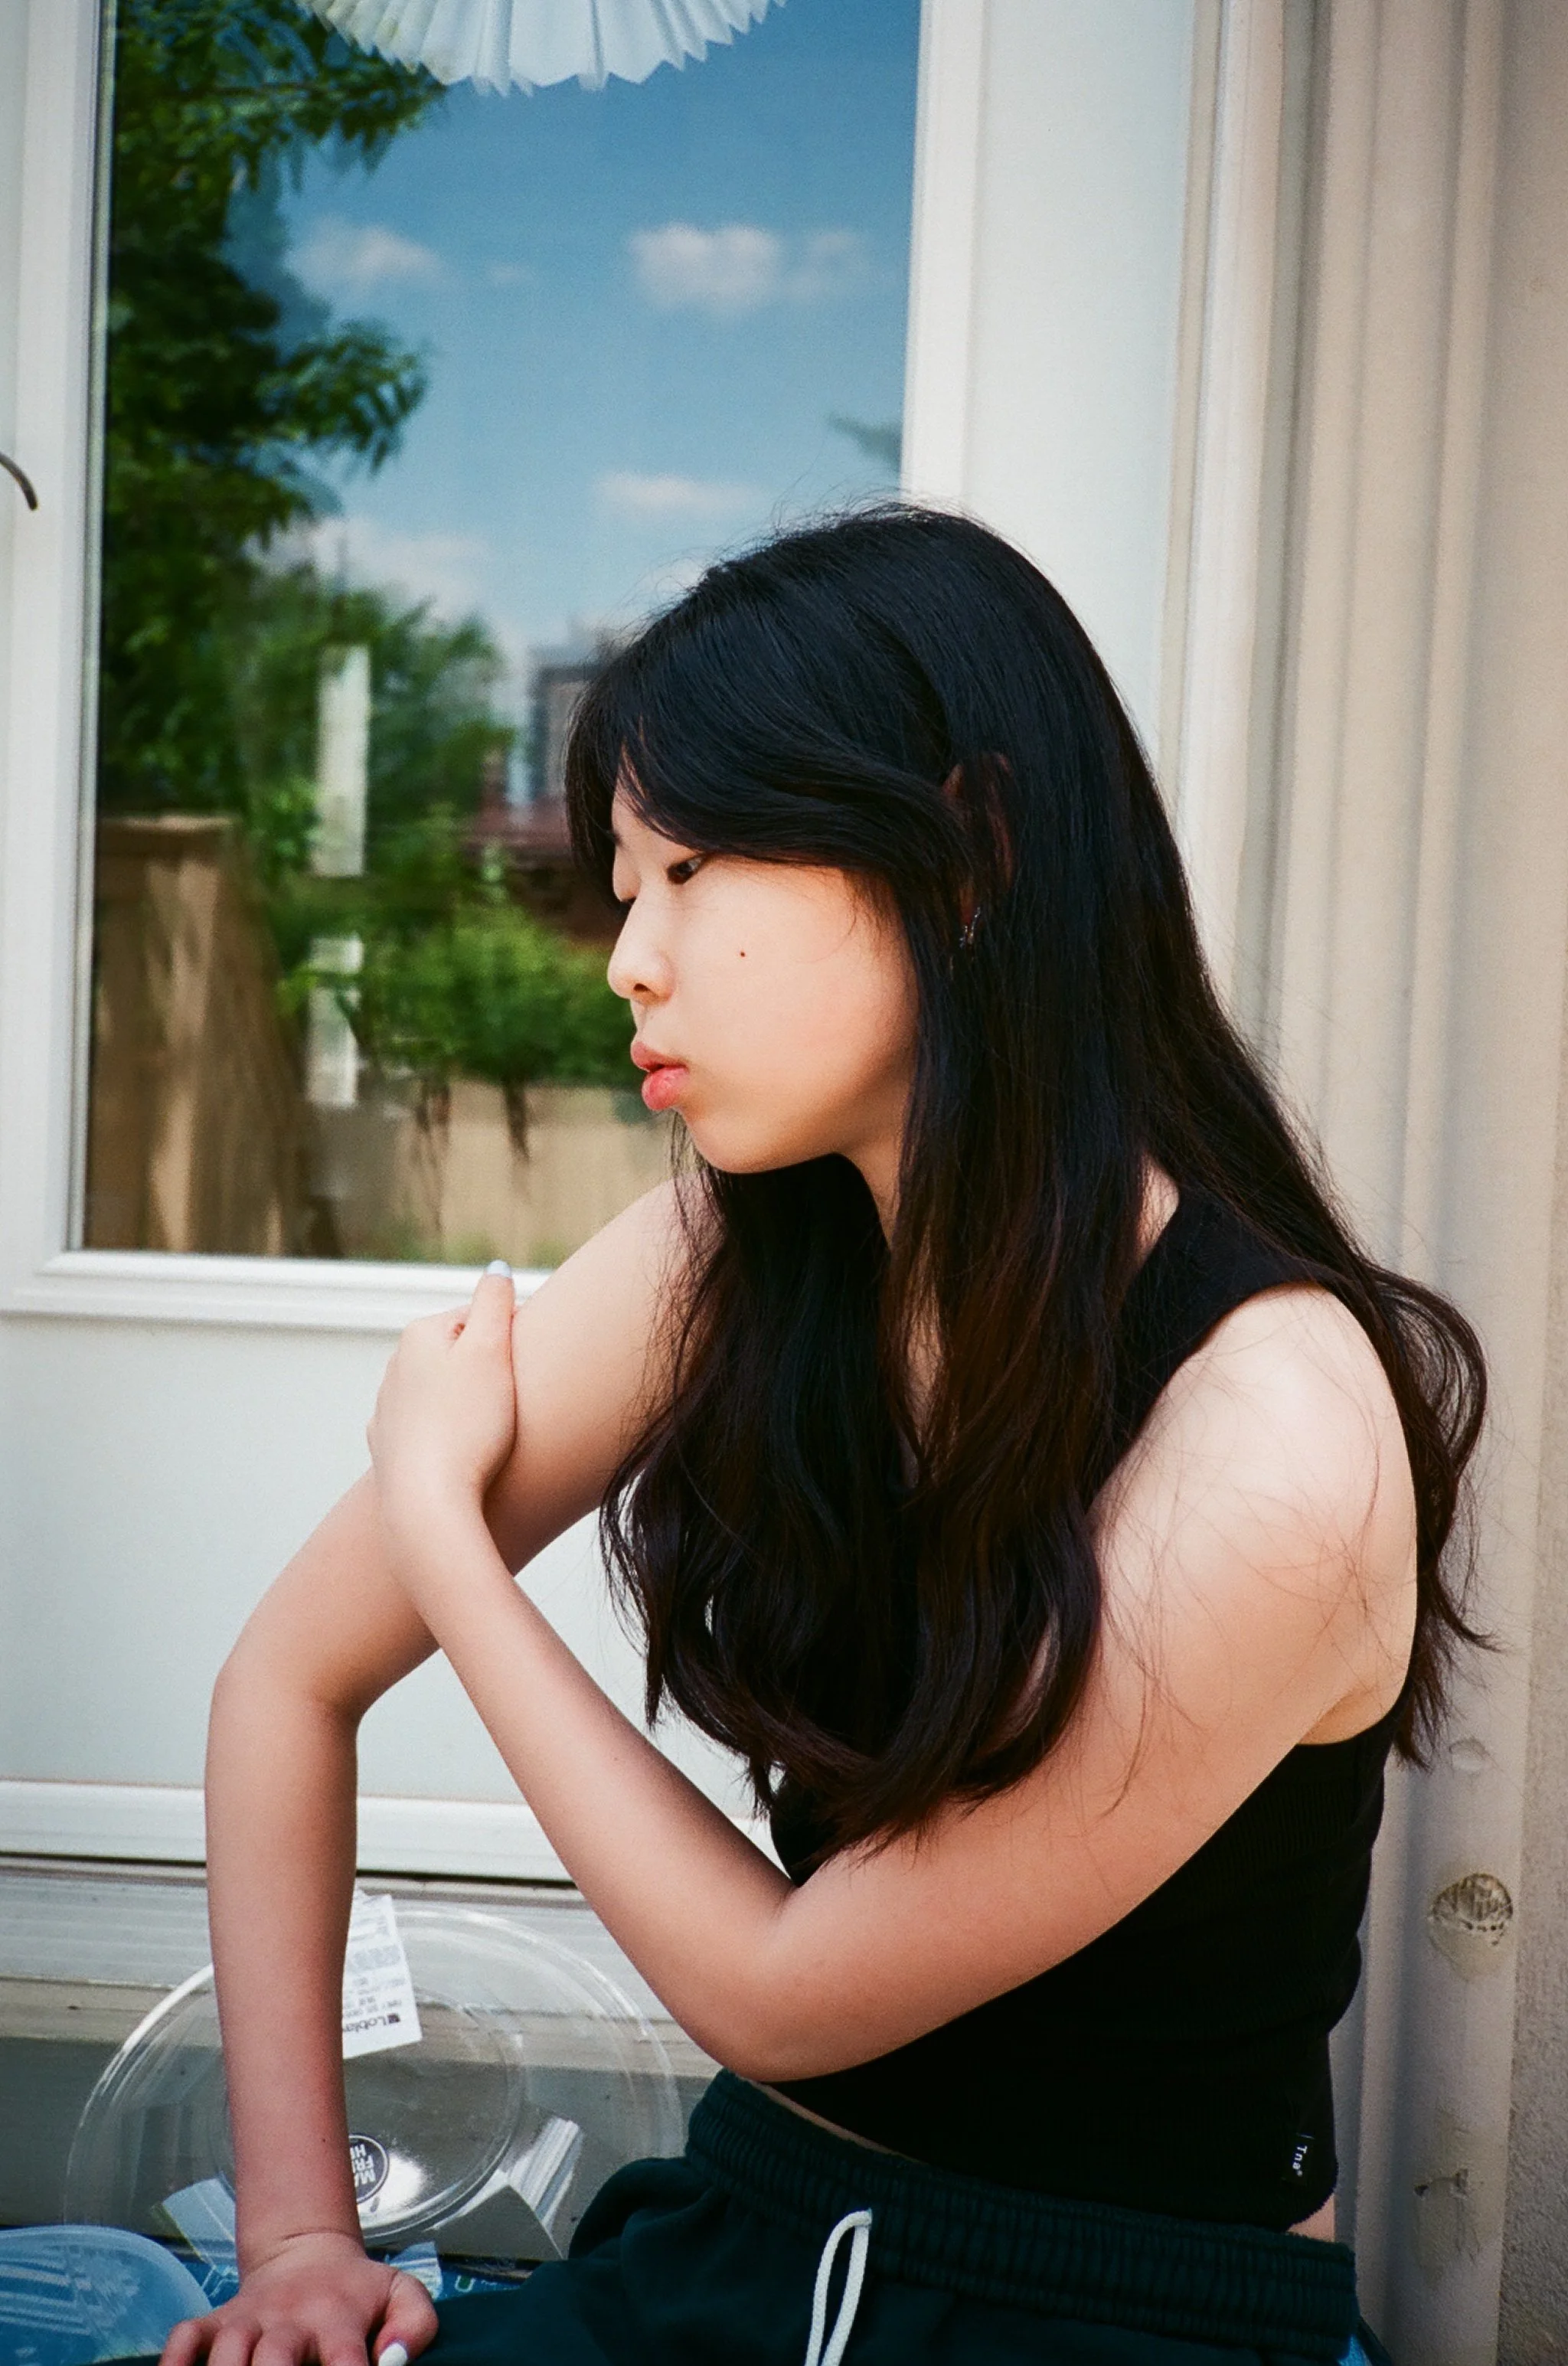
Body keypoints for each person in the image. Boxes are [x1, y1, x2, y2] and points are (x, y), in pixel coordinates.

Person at [163, 509, 1484, 2366]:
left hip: (1108, 2318)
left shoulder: (1273, 1431)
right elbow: (281, 1684)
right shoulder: (748, 1237)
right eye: (626, 885)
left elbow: (782, 1997)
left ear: (966, 854)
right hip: (749, 2234)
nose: (630, 958)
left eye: (690, 870)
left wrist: (444, 1527)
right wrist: (296, 2238)